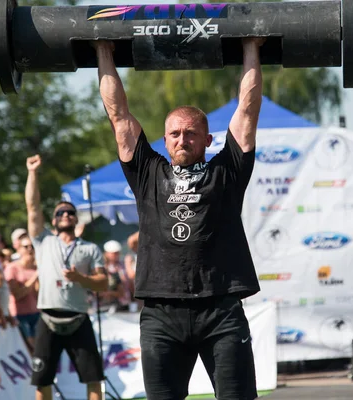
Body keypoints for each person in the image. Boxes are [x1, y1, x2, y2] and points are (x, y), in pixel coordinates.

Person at [93, 36, 265, 400]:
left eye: (190, 133)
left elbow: (247, 111)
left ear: (207, 139)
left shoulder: (227, 171)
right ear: (165, 139)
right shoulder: (147, 172)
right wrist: (102, 51)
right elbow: (119, 115)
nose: (182, 139)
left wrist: (252, 43)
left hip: (220, 308)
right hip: (161, 312)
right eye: (174, 133)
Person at [25, 154, 108, 400]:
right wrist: (32, 173)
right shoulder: (43, 240)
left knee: (94, 379)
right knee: (43, 381)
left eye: (70, 212)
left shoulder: (89, 249)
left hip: (79, 319)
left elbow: (102, 283)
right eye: (60, 212)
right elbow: (32, 207)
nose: (65, 215)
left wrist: (81, 279)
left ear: (76, 219)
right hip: (48, 318)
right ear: (53, 220)